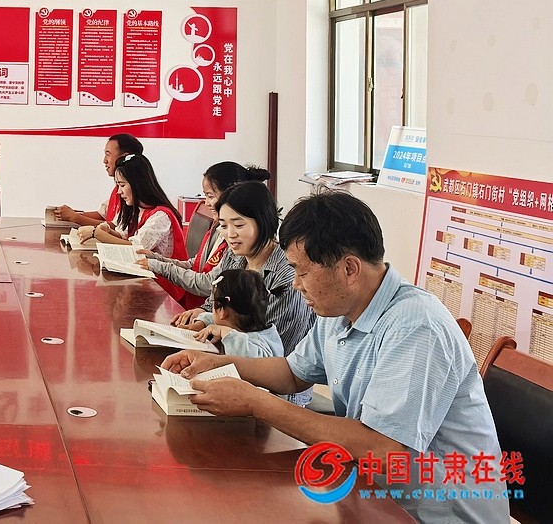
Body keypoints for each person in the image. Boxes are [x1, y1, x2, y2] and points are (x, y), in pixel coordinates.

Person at [163, 191, 509, 524]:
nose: (296, 285)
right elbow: (293, 373)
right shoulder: (340, 309)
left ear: (349, 269)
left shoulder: (415, 326)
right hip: (371, 492)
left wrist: (256, 403)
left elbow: (382, 448)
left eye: (302, 272)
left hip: (430, 513)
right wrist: (220, 363)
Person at [166, 181, 314, 404]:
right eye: (223, 226)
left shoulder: (286, 276)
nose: (230, 234)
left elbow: (278, 356)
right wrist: (200, 317)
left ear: (263, 221)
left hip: (275, 392)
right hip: (226, 363)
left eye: (238, 225)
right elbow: (214, 301)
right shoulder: (234, 255)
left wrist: (220, 335)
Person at [139, 161, 272, 310]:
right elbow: (197, 264)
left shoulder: (238, 245)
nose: (206, 203)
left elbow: (210, 284)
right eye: (225, 225)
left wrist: (158, 266)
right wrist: (156, 258)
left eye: (210, 196)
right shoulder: (217, 228)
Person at [52, 133, 143, 226]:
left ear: (124, 157)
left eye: (108, 154)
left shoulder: (134, 193)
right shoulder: (118, 190)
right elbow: (102, 215)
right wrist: (70, 215)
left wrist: (75, 217)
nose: (104, 160)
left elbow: (117, 227)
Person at [193, 268, 284, 359]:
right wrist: (203, 322)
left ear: (222, 311)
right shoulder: (241, 325)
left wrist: (224, 332)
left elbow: (250, 360)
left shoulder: (259, 345)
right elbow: (215, 319)